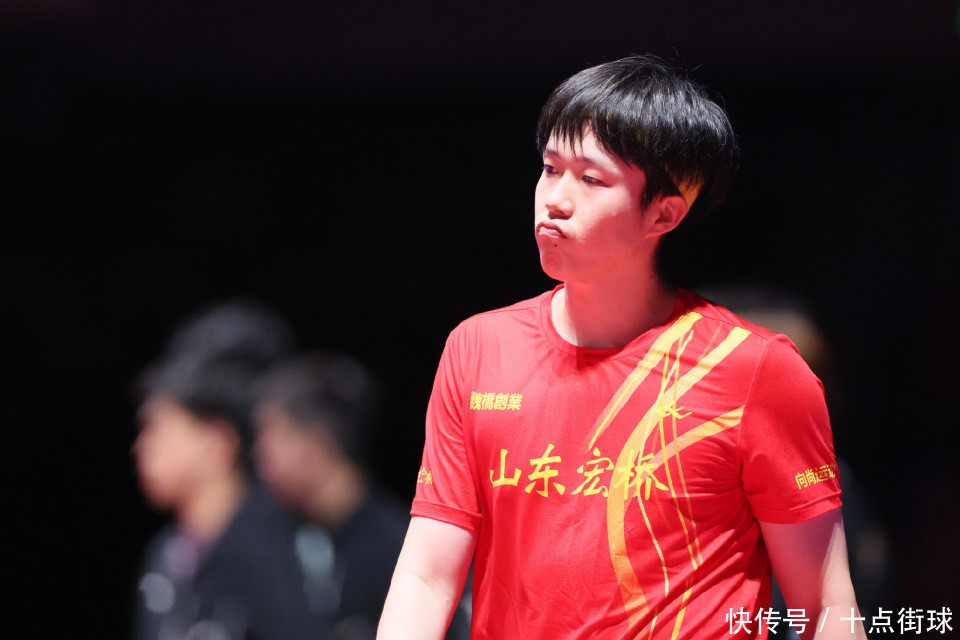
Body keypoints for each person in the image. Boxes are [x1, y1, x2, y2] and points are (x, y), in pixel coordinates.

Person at [378, 54, 865, 639]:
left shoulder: (755, 369)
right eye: (550, 169)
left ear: (664, 213)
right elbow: (427, 577)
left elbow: (825, 606)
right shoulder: (478, 349)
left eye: (590, 179)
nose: (555, 199)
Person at [132, 301, 325, 640]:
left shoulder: (279, 550)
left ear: (217, 442)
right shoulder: (166, 554)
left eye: (159, 430)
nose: (142, 447)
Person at [251, 353, 471, 640]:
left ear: (316, 443)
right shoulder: (278, 534)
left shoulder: (401, 553)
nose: (259, 451)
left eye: (272, 434)